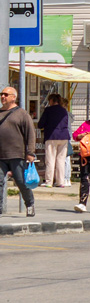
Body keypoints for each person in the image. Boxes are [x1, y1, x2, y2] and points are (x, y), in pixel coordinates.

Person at [0, 85, 36, 216]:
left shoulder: (22, 114)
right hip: (1, 155)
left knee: (21, 182)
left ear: (13, 97)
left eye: (5, 94)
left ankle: (30, 204)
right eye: (1, 94)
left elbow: (30, 134)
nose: (3, 97)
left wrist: (30, 152)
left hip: (17, 155)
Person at [37, 93, 72, 188]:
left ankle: (49, 182)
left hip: (51, 136)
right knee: (61, 160)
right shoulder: (64, 111)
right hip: (64, 137)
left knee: (50, 160)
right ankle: (60, 182)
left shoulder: (48, 110)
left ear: (51, 101)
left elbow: (40, 124)